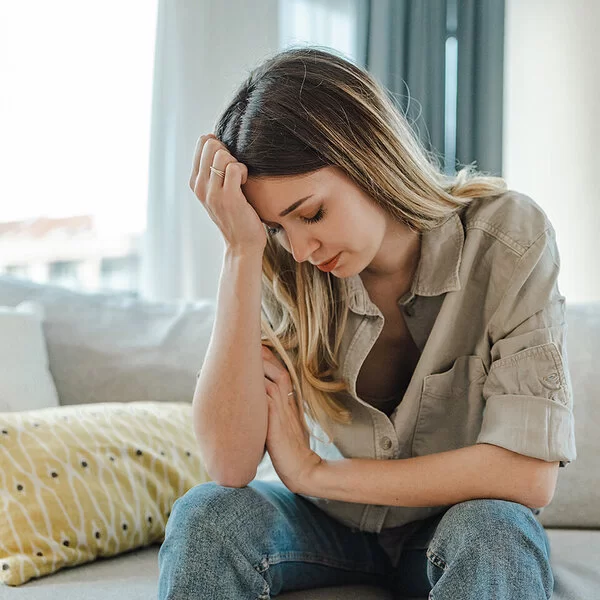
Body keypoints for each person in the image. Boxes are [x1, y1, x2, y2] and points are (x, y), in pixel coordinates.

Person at [157, 46, 576, 599]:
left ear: (367, 157)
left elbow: (528, 476)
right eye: (278, 228)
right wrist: (241, 250)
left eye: (311, 213)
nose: (302, 248)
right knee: (207, 515)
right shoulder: (282, 264)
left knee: (494, 531)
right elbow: (229, 467)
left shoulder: (507, 239)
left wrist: (315, 473)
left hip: (451, 523)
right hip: (327, 526)